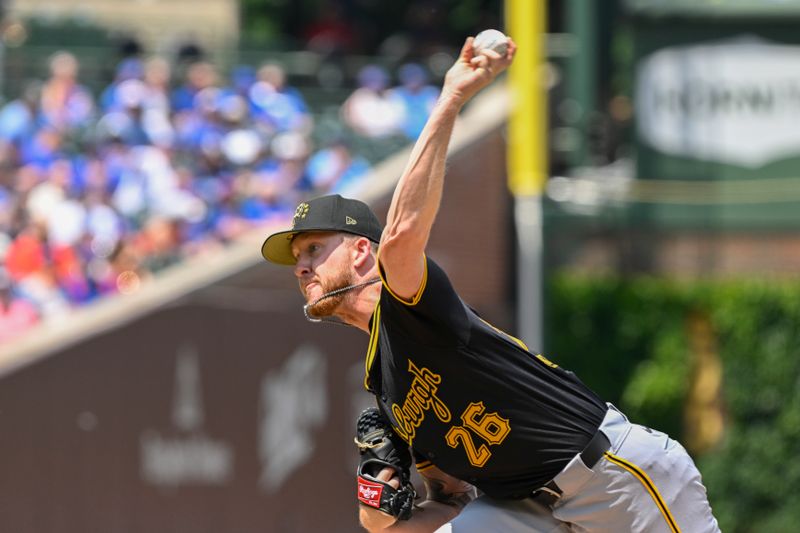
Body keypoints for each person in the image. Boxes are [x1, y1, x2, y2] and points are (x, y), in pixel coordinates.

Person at [260, 36, 720, 533]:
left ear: (359, 250)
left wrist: (451, 98)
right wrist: (377, 505)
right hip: (527, 510)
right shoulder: (386, 390)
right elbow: (445, 505)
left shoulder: (407, 303)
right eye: (298, 257)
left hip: (612, 479)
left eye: (313, 249)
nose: (300, 267)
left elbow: (402, 235)